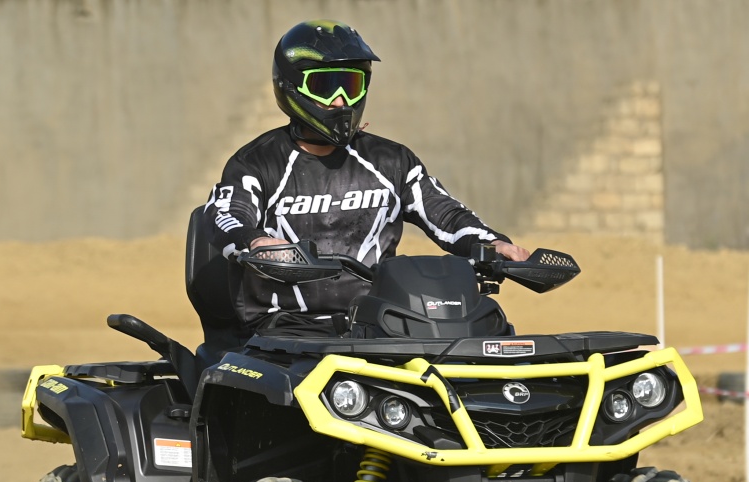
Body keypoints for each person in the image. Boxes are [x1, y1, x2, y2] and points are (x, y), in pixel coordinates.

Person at [203, 19, 529, 336]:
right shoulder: (255, 162)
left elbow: (445, 213)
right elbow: (226, 216)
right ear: (289, 85)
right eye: (324, 87)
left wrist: (492, 243)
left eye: (351, 86)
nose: (341, 100)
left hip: (381, 326)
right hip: (286, 333)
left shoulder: (391, 160)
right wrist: (257, 241)